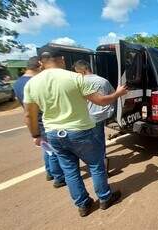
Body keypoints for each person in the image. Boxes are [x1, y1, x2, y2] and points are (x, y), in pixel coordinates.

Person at [23, 47, 128, 217]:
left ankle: (83, 204)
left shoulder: (32, 83)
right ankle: (104, 198)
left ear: (41, 62)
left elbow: (29, 115)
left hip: (53, 134)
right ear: (62, 59)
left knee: (70, 170)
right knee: (95, 165)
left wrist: (36, 135)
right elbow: (101, 101)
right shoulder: (74, 78)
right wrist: (117, 93)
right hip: (80, 131)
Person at [13, 56, 65, 188]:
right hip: (44, 120)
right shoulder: (34, 82)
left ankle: (50, 172)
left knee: (47, 148)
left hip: (35, 121)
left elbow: (26, 109)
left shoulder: (18, 82)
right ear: (39, 65)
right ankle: (59, 178)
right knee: (54, 151)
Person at [73, 60, 114, 173]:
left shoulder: (78, 81)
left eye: (78, 71)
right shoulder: (103, 80)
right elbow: (113, 95)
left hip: (84, 117)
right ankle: (102, 163)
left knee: (85, 142)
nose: (77, 74)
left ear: (83, 69)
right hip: (100, 116)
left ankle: (95, 165)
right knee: (99, 141)